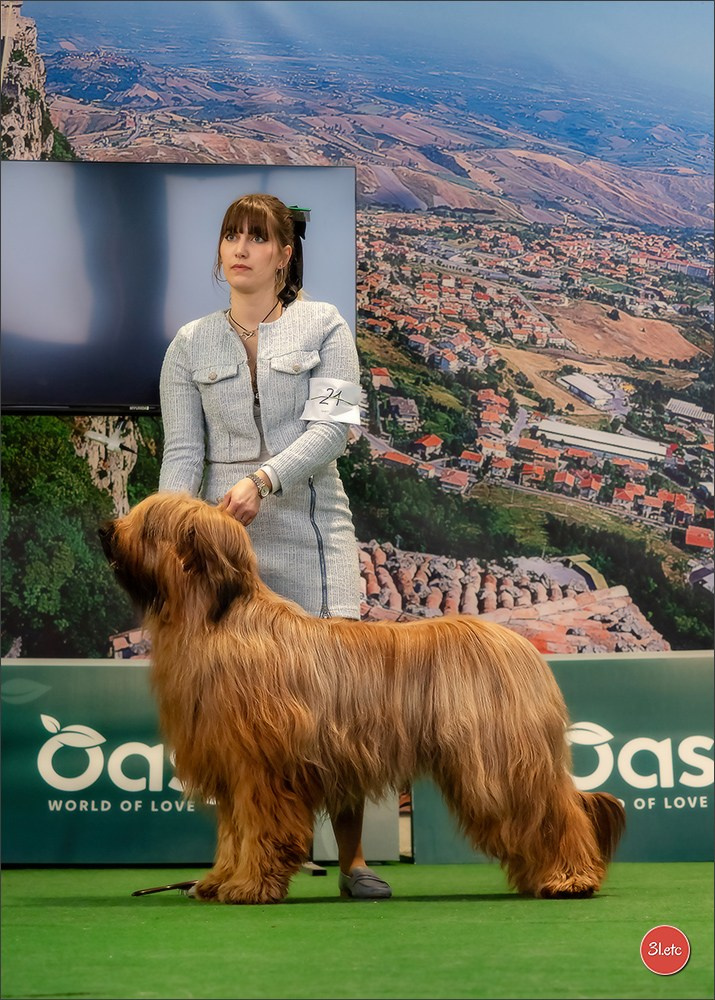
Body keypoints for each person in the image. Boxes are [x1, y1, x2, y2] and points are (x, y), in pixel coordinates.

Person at [158, 192, 391, 900]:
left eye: (258, 237)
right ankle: (242, 858)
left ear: (285, 254)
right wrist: (174, 534)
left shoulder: (325, 325)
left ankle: (352, 861)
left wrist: (264, 479)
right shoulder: (189, 344)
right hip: (223, 559)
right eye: (231, 234)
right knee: (236, 715)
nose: (240, 248)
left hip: (313, 539)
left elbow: (335, 430)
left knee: (339, 707)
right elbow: (182, 454)